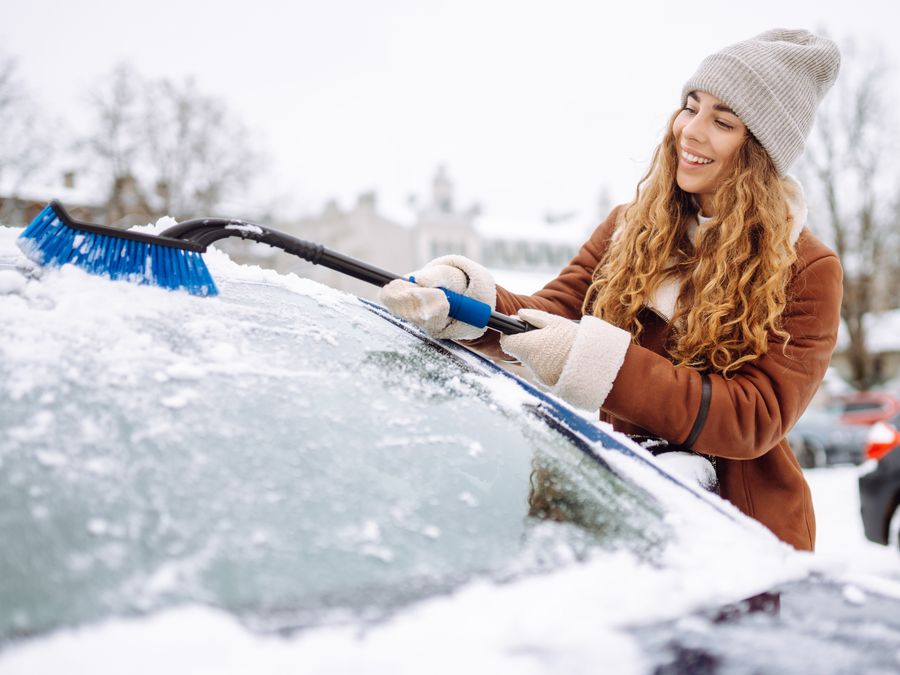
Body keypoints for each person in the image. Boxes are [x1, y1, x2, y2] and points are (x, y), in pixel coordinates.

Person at [380, 29, 842, 552]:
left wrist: (598, 361)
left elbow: (752, 417)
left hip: (736, 534)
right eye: (690, 107)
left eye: (722, 121)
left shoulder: (805, 266)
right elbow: (549, 313)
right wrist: (465, 297)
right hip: (615, 504)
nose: (690, 131)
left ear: (759, 149)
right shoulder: (631, 228)